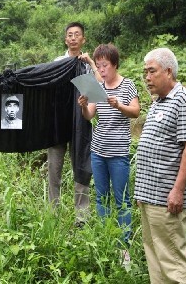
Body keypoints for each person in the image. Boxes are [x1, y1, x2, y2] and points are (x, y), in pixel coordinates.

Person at [134, 47, 186, 283]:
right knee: (155, 258)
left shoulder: (183, 99)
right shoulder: (157, 102)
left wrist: (178, 190)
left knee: (172, 260)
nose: (147, 77)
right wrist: (141, 191)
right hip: (149, 197)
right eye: (145, 72)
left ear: (169, 71)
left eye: (152, 71)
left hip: (167, 199)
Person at [77, 44, 139, 262]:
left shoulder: (127, 85)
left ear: (115, 65)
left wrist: (119, 105)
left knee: (122, 199)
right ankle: (106, 240)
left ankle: (124, 246)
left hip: (118, 152)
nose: (102, 70)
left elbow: (135, 111)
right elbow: (89, 116)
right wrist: (84, 106)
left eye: (105, 66)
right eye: (99, 66)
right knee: (101, 198)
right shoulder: (98, 87)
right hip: (98, 151)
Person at [47, 22, 102, 225]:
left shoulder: (87, 64)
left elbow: (100, 87)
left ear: (83, 39)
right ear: (65, 39)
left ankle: (82, 218)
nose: (72, 38)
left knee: (82, 167)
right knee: (54, 169)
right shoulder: (57, 62)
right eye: (69, 34)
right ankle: (53, 215)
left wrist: (91, 63)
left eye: (77, 34)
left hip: (81, 121)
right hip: (58, 122)